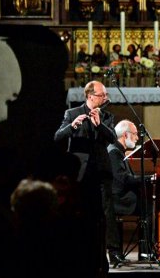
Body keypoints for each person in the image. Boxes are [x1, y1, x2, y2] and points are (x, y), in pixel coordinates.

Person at [54, 80, 116, 278]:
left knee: (102, 216)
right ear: (90, 96)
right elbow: (57, 137)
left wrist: (99, 126)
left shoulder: (106, 116)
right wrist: (72, 126)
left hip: (100, 172)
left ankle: (103, 259)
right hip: (80, 173)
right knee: (81, 215)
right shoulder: (72, 113)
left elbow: (113, 137)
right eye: (102, 95)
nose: (105, 98)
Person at [107, 119, 152, 263]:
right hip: (117, 200)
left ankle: (147, 251)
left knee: (147, 202)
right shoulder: (114, 152)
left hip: (121, 196)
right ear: (125, 135)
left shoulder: (118, 150)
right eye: (135, 134)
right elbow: (123, 179)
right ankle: (146, 251)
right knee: (149, 207)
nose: (137, 138)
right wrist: (147, 179)